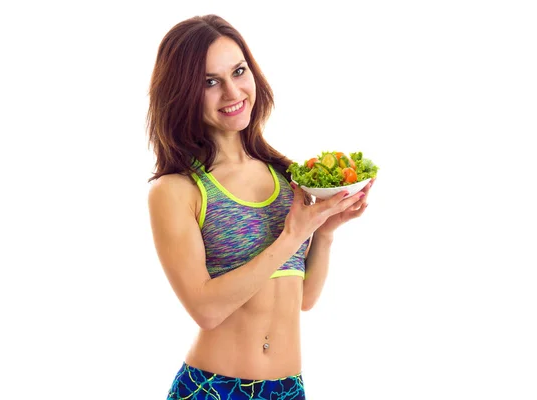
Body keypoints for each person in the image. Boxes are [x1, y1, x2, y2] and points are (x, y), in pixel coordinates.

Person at [146, 14, 375, 399]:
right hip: (212, 388)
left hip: (287, 389)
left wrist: (326, 232)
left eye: (239, 71)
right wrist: (294, 234)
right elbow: (207, 310)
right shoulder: (177, 190)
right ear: (182, 91)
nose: (233, 92)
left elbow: (304, 299)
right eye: (210, 82)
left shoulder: (287, 175)